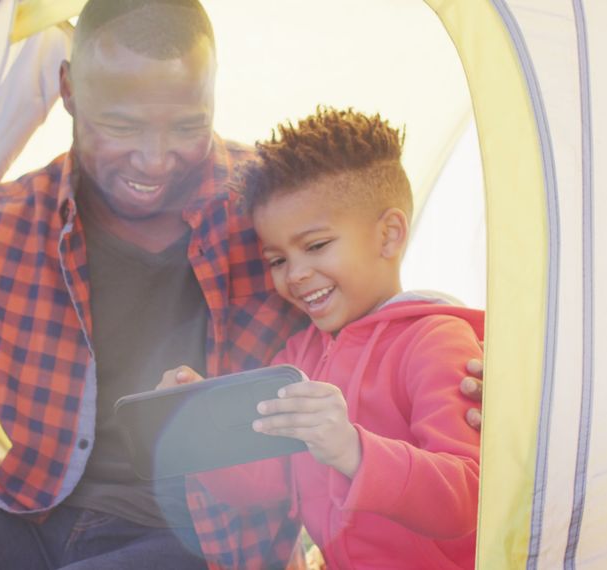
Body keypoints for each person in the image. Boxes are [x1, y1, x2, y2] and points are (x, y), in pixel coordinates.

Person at [0, 2, 484, 569]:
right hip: (25, 513)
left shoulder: (275, 215)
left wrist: (500, 371)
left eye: (186, 124)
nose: (155, 158)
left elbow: (375, 303)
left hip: (193, 541)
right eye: (122, 125)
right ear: (67, 92)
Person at [162, 107, 483, 569]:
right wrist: (199, 435)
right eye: (277, 259)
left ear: (389, 235)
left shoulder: (436, 340)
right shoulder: (298, 357)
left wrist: (354, 450)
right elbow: (267, 480)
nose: (296, 275)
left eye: (315, 246)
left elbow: (466, 497)